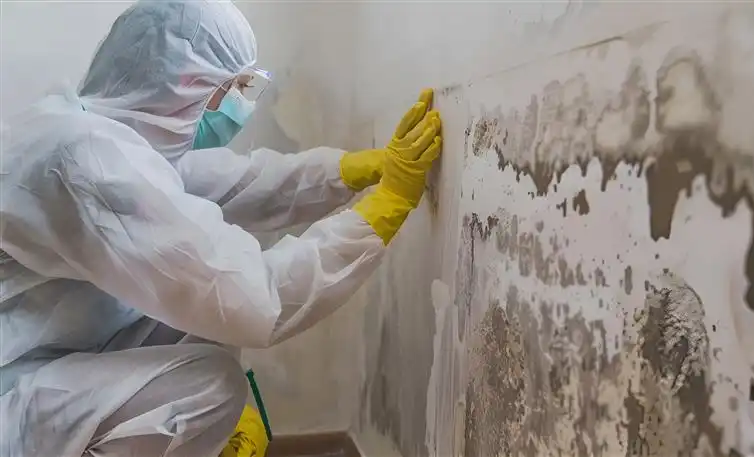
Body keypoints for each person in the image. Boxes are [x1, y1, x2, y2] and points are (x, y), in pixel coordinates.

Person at [0, 0, 441, 455]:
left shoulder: (99, 134)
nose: (238, 105)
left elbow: (238, 184)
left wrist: (351, 171)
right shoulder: (89, 162)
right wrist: (383, 209)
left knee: (203, 325)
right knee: (211, 386)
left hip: (49, 358)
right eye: (235, 87)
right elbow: (254, 298)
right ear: (184, 83)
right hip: (14, 390)